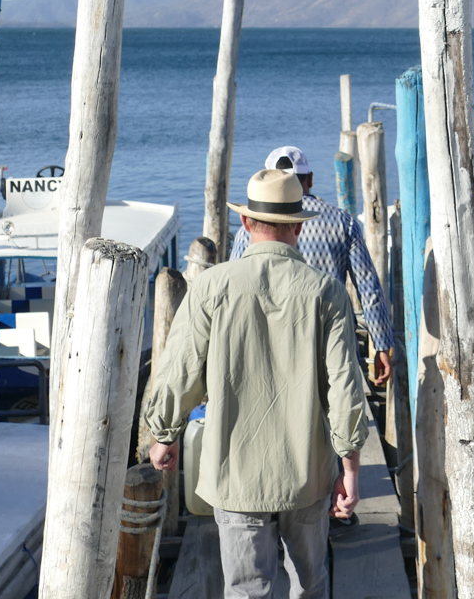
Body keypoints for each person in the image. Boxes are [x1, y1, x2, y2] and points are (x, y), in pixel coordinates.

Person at [143, 168, 368, 599]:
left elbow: (180, 369)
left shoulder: (209, 286)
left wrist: (164, 434)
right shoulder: (326, 292)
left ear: (245, 223)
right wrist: (350, 469)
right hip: (308, 471)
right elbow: (344, 389)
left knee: (247, 592)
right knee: (311, 584)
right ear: (298, 226)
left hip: (236, 473)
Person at [231, 145, 393, 388]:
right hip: (331, 346)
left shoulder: (252, 228)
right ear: (310, 179)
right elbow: (368, 289)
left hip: (270, 346)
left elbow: (233, 290)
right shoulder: (343, 222)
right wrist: (381, 343)